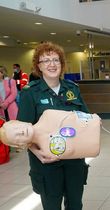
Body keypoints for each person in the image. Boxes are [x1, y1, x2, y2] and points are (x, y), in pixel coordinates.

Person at [17, 41, 90, 210]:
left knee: (75, 204)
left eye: (56, 60)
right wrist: (38, 153)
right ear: (38, 66)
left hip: (74, 160)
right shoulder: (30, 93)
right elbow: (23, 131)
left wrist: (92, 121)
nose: (52, 64)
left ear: (62, 64)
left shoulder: (72, 89)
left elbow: (85, 118)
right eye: (46, 60)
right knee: (51, 205)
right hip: (46, 162)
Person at [1, 109, 101, 159]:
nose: (21, 132)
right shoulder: (47, 152)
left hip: (96, 126)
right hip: (95, 149)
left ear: (22, 122)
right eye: (17, 137)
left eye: (17, 127)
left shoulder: (48, 114)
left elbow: (80, 115)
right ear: (20, 145)